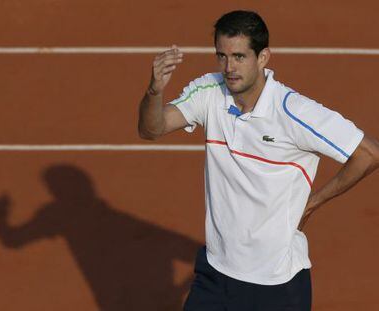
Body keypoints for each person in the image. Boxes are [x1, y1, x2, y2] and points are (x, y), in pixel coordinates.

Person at [138, 10, 379, 311]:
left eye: (239, 56)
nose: (229, 67)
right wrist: (154, 90)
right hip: (215, 272)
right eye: (222, 56)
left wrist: (314, 202)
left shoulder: (293, 112)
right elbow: (152, 128)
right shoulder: (210, 92)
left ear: (263, 57)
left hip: (276, 286)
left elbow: (368, 153)